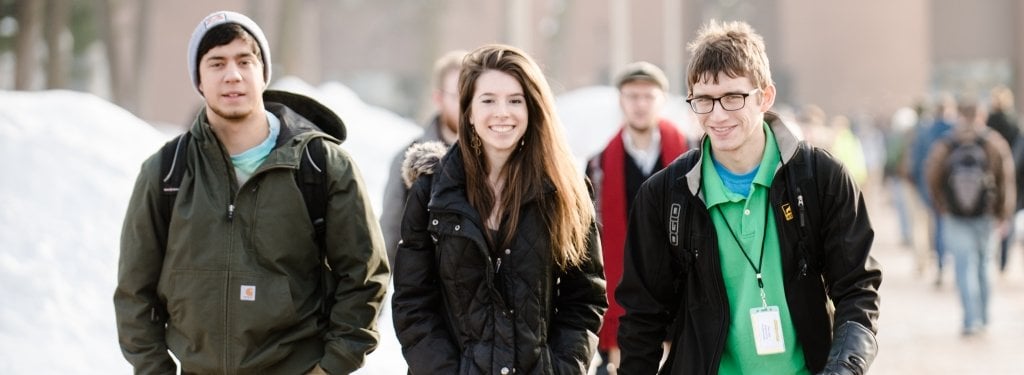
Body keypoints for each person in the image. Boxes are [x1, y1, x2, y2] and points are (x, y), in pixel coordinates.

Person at [114, 11, 389, 374]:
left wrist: (331, 368)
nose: (233, 75)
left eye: (245, 60)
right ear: (198, 79)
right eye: (216, 63)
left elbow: (364, 278)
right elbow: (135, 294)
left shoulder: (322, 167)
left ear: (263, 74)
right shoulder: (166, 172)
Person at [616, 20, 882, 374]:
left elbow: (858, 290)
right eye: (704, 101)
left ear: (765, 97)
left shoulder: (820, 177)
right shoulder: (664, 194)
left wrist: (844, 369)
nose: (718, 115)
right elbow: (642, 317)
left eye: (732, 97)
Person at [392, 43, 608, 374]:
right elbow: (413, 301)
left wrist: (560, 369)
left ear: (532, 108)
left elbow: (584, 299)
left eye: (515, 101)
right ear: (469, 111)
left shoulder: (566, 191)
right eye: (488, 100)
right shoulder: (432, 192)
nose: (502, 112)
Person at [585, 61, 688, 374]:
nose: (640, 104)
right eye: (633, 96)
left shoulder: (691, 154)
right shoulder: (598, 165)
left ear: (662, 100)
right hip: (625, 279)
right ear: (621, 100)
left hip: (679, 275)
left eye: (648, 96)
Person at [926, 100, 1015, 336]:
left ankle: (969, 320)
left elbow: (931, 174)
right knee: (984, 264)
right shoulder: (994, 143)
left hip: (954, 214)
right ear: (981, 115)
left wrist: (941, 203)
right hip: (986, 214)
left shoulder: (946, 143)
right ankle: (984, 318)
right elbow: (1006, 178)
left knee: (964, 266)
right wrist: (1004, 213)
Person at [380, 49, 466, 268]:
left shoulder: (493, 157)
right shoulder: (407, 158)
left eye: (473, 94)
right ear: (438, 98)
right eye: (458, 95)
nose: (467, 104)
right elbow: (389, 237)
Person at [985, 86, 1022, 273]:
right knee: (1008, 217)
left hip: (989, 178)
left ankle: (991, 255)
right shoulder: (1014, 124)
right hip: (1012, 177)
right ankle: (1004, 261)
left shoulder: (987, 122)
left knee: (991, 218)